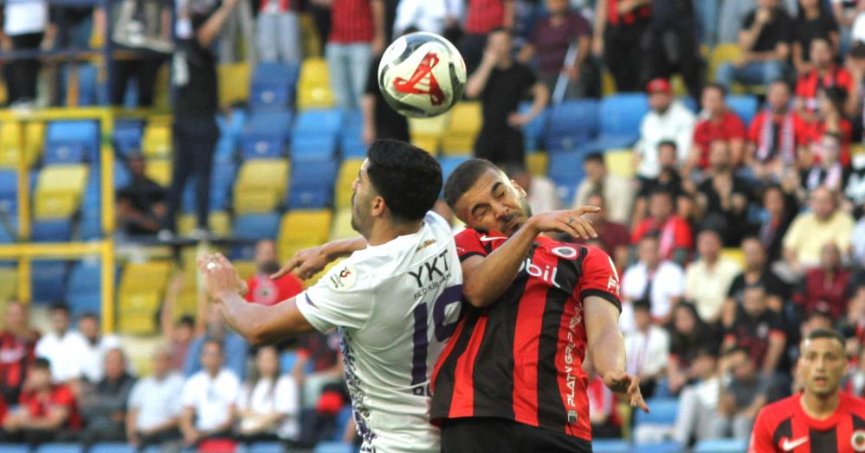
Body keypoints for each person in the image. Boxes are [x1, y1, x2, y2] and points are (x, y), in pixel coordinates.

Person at [198, 140, 463, 452]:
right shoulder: (437, 228)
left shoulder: (361, 281)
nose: (353, 185)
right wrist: (331, 249)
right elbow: (391, 249)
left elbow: (258, 328)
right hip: (442, 436)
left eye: (361, 180)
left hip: (397, 444)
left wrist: (225, 293)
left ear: (378, 205)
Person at [432, 158, 647, 452]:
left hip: (559, 418)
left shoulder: (586, 259)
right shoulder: (469, 243)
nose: (500, 210)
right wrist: (531, 227)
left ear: (517, 188)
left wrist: (612, 369)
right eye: (482, 211)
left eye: (500, 193)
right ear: (471, 224)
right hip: (476, 414)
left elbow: (604, 329)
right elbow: (478, 290)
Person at [160, 0, 241, 240]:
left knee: (181, 175)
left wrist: (217, 105)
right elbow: (204, 35)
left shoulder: (180, 46)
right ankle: (199, 223)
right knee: (199, 175)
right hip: (197, 121)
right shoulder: (192, 44)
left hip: (188, 116)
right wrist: (226, 8)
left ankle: (169, 225)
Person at [750, 329, 865, 452]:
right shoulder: (770, 419)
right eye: (811, 357)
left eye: (830, 358)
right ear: (799, 366)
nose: (820, 366)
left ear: (845, 367)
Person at [466, 28, 549, 168]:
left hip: (511, 133)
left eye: (501, 43)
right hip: (488, 132)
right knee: (479, 178)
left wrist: (527, 117)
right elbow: (471, 92)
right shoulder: (484, 70)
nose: (497, 48)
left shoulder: (520, 70)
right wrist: (487, 64)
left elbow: (542, 92)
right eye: (493, 44)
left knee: (517, 179)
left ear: (510, 45)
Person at [517, 0, 594, 99]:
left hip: (566, 70)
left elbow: (584, 43)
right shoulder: (541, 24)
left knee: (574, 79)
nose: (554, 4)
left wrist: (576, 64)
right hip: (544, 71)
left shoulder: (576, 21)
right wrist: (516, 68)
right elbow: (529, 48)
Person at [3, 358, 83, 445]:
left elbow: (54, 423)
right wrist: (13, 423)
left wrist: (24, 423)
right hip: (37, 434)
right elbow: (21, 416)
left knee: (34, 435)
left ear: (48, 374)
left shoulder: (63, 392)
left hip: (66, 435)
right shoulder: (29, 394)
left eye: (38, 374)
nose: (34, 378)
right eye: (32, 374)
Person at [715, 0, 791, 91]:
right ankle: (722, 103)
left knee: (772, 68)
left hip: (775, 67)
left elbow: (781, 55)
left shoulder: (785, 19)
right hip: (751, 67)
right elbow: (744, 48)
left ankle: (772, 104)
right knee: (724, 69)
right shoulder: (750, 16)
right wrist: (758, 24)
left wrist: (750, 57)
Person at [179, 340, 240, 447]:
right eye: (207, 354)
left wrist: (205, 433)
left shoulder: (230, 380)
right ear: (201, 357)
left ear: (222, 357)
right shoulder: (193, 382)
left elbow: (231, 418)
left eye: (214, 354)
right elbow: (186, 416)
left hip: (223, 437)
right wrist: (190, 432)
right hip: (200, 438)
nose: (210, 358)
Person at [326, 0, 385, 109]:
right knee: (339, 94)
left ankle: (365, 124)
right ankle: (345, 124)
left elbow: (377, 5)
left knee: (362, 91)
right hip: (336, 39)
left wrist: (379, 36)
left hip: (362, 40)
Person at [634, 78, 696, 182]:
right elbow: (644, 143)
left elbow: (685, 151)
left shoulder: (684, 117)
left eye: (660, 94)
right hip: (649, 173)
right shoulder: (648, 119)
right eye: (652, 95)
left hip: (675, 172)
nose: (656, 99)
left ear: (670, 96)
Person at [235, 345, 300, 444]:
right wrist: (258, 419)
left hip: (279, 437)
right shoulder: (249, 385)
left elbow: (281, 414)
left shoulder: (286, 382)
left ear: (277, 362)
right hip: (252, 437)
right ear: (257, 362)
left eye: (270, 359)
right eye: (263, 360)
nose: (267, 363)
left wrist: (258, 426)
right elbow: (241, 410)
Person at [621, 234, 685, 331]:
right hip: (636, 323)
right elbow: (628, 299)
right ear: (639, 252)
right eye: (644, 250)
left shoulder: (674, 271)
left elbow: (675, 302)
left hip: (663, 322)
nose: (648, 254)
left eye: (651, 250)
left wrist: (659, 322)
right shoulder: (631, 273)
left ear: (660, 251)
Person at [782, 186, 854, 273]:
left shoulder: (845, 220)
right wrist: (794, 264)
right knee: (775, 271)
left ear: (834, 203)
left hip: (827, 268)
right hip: (799, 267)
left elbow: (844, 251)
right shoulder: (802, 219)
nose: (821, 206)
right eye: (817, 201)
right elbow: (788, 248)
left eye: (825, 201)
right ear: (811, 203)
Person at [126, 345, 184, 449]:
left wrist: (151, 430)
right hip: (143, 436)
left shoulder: (178, 383)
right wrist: (132, 434)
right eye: (156, 360)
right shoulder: (142, 384)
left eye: (163, 360)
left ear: (170, 362)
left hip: (166, 434)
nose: (159, 364)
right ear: (151, 362)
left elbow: (177, 419)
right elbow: (133, 412)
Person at [642, 0, 701, 100]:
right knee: (657, 79)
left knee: (692, 77)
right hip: (658, 36)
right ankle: (660, 107)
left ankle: (700, 107)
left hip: (683, 35)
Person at [747, 80, 804, 180]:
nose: (778, 98)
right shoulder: (759, 119)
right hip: (761, 165)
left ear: (788, 98)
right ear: (769, 97)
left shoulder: (797, 120)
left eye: (782, 95)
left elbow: (804, 155)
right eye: (775, 94)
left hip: (787, 166)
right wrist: (755, 166)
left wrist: (789, 168)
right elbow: (748, 152)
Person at [79, 348, 136, 445]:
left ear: (124, 364)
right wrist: (110, 414)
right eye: (109, 362)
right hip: (97, 426)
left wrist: (96, 401)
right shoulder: (100, 383)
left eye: (115, 362)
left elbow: (119, 404)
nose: (112, 366)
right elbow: (86, 409)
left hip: (121, 432)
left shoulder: (132, 383)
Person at [592, 0, 651, 92]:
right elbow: (602, 8)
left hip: (641, 29)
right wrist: (598, 37)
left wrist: (632, 3)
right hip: (616, 31)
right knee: (619, 75)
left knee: (643, 74)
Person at [684, 229, 742, 323]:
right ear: (698, 247)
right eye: (705, 244)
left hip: (722, 315)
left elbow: (734, 297)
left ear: (720, 245)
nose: (708, 247)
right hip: (697, 320)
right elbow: (689, 297)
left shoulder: (733, 267)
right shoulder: (692, 269)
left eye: (712, 243)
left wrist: (716, 316)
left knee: (730, 307)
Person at [690, 83, 748, 171]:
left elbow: (735, 157)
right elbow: (694, 155)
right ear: (702, 101)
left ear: (723, 101)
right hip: (702, 171)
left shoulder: (734, 122)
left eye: (714, 98)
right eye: (708, 99)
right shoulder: (701, 125)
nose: (711, 102)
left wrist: (713, 173)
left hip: (727, 171)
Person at [2, 0, 49, 107]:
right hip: (16, 26)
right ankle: (19, 99)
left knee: (35, 64)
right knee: (18, 64)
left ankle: (31, 98)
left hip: (38, 24)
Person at [714, 347, 768, 440]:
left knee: (740, 422)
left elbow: (752, 413)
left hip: (762, 427)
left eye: (742, 366)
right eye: (734, 368)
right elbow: (722, 411)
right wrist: (721, 377)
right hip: (740, 423)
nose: (739, 371)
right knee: (720, 422)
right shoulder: (734, 383)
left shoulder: (765, 381)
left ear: (752, 363)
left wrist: (736, 412)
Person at [631, 188, 693, 264]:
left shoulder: (680, 225)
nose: (658, 207)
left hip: (670, 269)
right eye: (655, 204)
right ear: (650, 207)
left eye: (662, 204)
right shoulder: (644, 225)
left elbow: (681, 254)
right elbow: (633, 250)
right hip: (645, 267)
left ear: (670, 206)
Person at [624, 300, 670, 399]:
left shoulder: (660, 336)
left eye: (641, 315)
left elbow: (664, 367)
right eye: (636, 315)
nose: (638, 319)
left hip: (651, 381)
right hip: (630, 380)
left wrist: (647, 375)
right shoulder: (629, 338)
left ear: (648, 315)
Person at [573, 152, 633, 225]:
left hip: (615, 229)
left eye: (592, 171)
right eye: (588, 172)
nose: (590, 175)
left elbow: (621, 217)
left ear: (603, 166)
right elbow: (577, 211)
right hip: (591, 227)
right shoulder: (586, 184)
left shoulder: (621, 184)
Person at [34, 304, 88, 384]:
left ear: (68, 320)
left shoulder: (79, 341)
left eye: (62, 320)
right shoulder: (44, 343)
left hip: (73, 384)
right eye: (56, 320)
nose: (59, 324)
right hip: (50, 385)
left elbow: (81, 368)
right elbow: (41, 368)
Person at [116, 153, 167, 237]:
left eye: (139, 161)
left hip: (153, 236)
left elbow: (161, 215)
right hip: (130, 236)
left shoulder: (155, 188)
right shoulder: (125, 190)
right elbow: (122, 216)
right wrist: (145, 221)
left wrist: (137, 217)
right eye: (133, 162)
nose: (136, 165)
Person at [798, 243, 851, 319]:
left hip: (836, 319)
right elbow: (799, 299)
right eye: (827, 253)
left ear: (839, 257)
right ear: (821, 256)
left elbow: (849, 303)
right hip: (810, 317)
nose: (830, 257)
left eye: (833, 253)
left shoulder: (846, 278)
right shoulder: (809, 275)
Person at [0, 302, 38, 405]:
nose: (15, 319)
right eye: (12, 315)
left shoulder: (35, 338)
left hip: (28, 393)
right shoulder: (2, 339)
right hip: (3, 393)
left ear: (25, 316)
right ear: (5, 317)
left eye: (18, 314)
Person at [245, 239, 304, 306]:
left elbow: (296, 307)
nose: (265, 258)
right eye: (261, 254)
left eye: (268, 253)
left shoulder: (291, 281)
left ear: (276, 255)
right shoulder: (250, 283)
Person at [792, 0, 841, 76]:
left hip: (827, 64)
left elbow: (835, 46)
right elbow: (796, 53)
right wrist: (803, 66)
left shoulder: (828, 19)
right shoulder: (796, 24)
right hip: (806, 67)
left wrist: (823, 62)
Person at [77, 313, 122, 384]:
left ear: (98, 326)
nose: (88, 330)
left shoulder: (111, 341)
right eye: (85, 328)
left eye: (90, 326)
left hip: (112, 383)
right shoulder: (76, 345)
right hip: (87, 386)